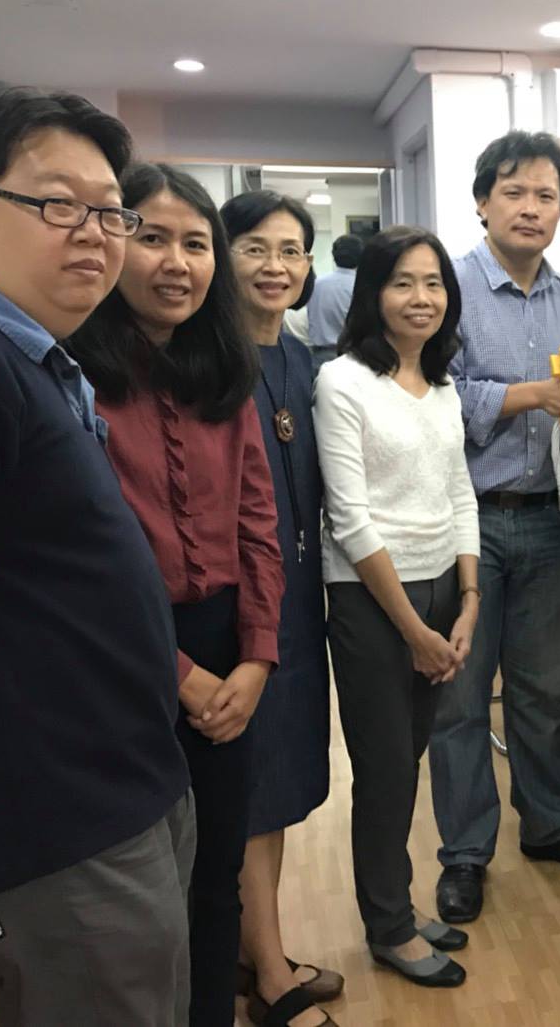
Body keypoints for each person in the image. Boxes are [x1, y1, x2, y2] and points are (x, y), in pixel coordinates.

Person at [0, 89, 193, 1026]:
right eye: (58, 204)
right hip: (46, 827)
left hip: (113, 787)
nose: (95, 234)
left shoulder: (18, 353)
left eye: (110, 211)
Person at [67, 162, 284, 1027]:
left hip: (227, 648)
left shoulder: (225, 374)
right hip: (119, 655)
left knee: (216, 873)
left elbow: (259, 524)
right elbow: (81, 565)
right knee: (136, 887)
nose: (176, 263)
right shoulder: (72, 377)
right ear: (114, 242)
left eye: (196, 244)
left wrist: (257, 657)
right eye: (152, 238)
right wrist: (180, 675)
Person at [429, 131, 560, 926]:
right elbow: (427, 396)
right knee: (459, 699)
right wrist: (525, 395)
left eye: (546, 195)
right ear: (482, 202)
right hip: (466, 524)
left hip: (554, 524)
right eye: (514, 192)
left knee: (544, 692)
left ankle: (550, 824)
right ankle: (464, 853)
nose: (530, 208)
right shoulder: (443, 290)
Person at [315, 225, 480, 987]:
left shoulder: (442, 385)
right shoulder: (342, 382)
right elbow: (348, 518)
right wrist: (415, 631)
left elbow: (459, 491)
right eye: (403, 283)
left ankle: (398, 905)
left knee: (407, 761)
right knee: (384, 772)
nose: (422, 298)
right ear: (373, 294)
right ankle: (388, 927)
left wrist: (469, 599)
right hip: (374, 601)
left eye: (434, 283)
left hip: (444, 586)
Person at [220, 191, 339, 1027]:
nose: (276, 266)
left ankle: (256, 946)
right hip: (236, 612)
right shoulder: (208, 363)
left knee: (282, 785)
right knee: (250, 793)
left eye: (292, 250)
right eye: (255, 248)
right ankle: (266, 971)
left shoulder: (302, 361)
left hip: (300, 606)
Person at [307, 233, 362, 372]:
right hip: (353, 357)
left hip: (319, 357)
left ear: (334, 256)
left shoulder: (316, 285)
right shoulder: (361, 287)